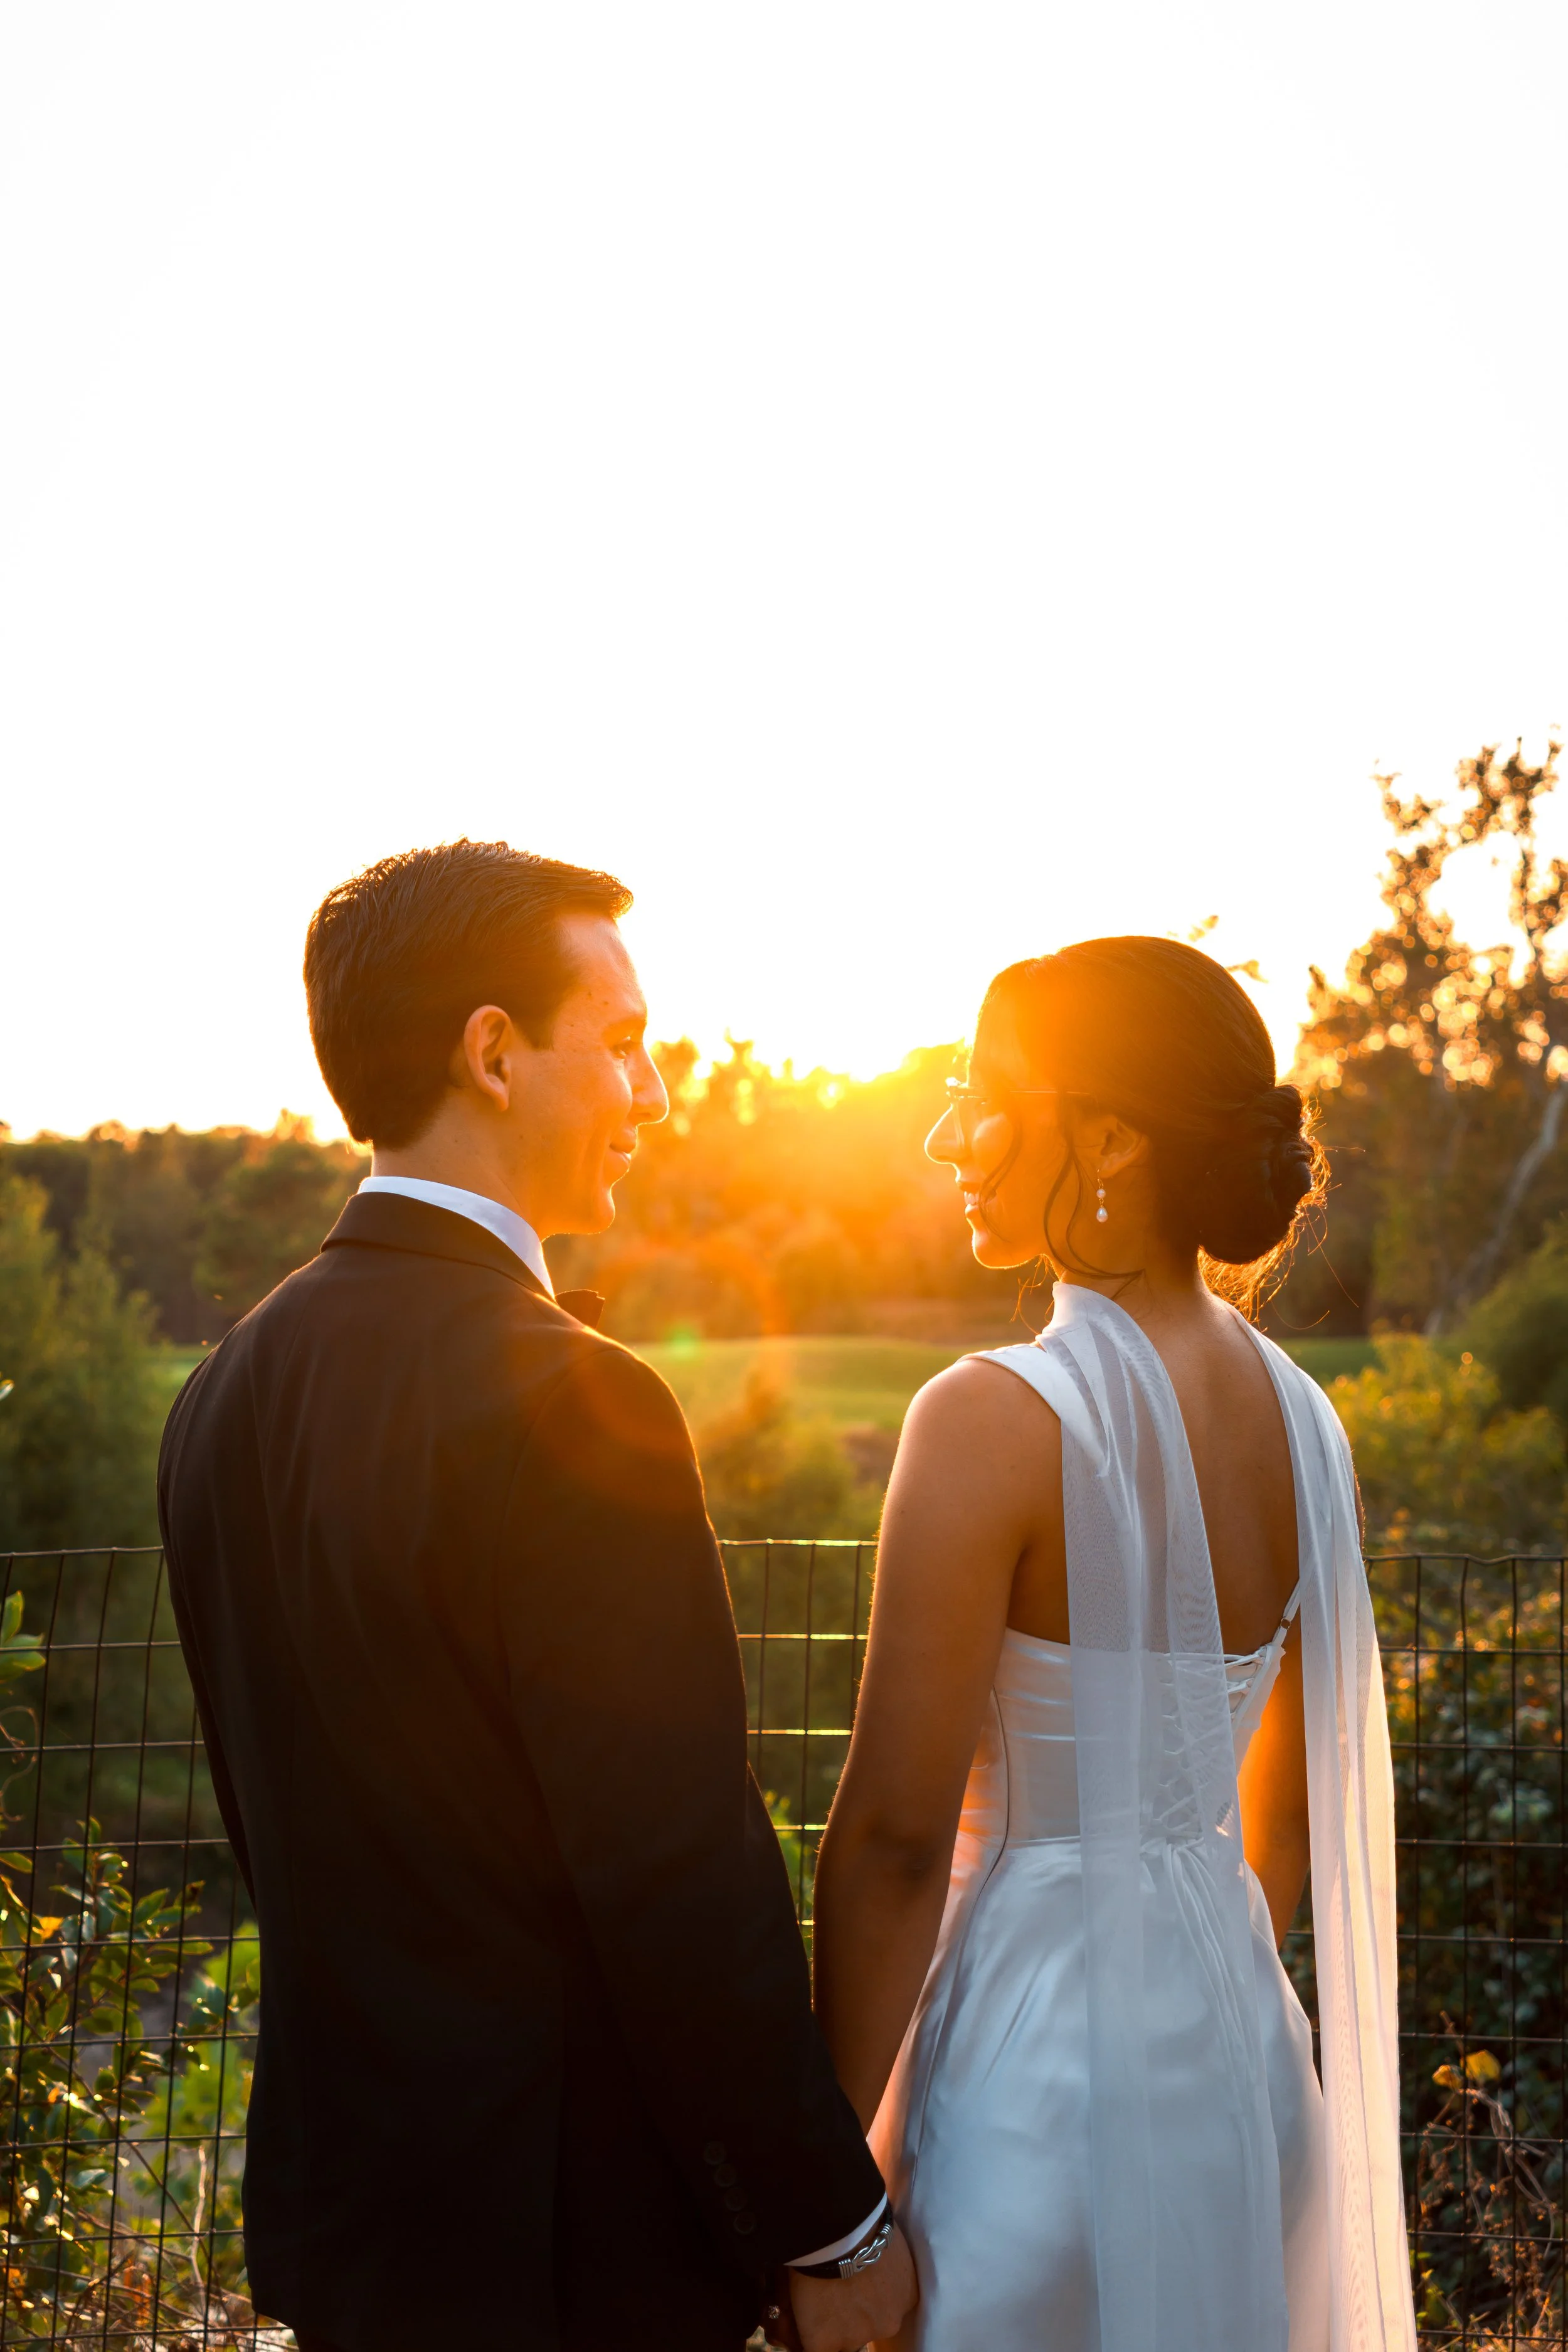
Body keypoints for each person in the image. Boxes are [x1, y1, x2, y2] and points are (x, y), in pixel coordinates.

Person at [157, 841, 915, 2352]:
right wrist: (827, 2221)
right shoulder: (582, 1400)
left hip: (351, 2242)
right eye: (624, 1044)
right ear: (493, 1053)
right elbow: (674, 1867)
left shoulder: (221, 1394)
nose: (651, 1096)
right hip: (574, 2258)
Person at [812, 936, 1416, 2352]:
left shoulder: (986, 1420)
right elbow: (1281, 1808)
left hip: (1035, 2069)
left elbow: (896, 1841)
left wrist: (822, 2200)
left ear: (1105, 1139)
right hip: (1232, 2053)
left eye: (981, 1095)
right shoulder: (1304, 1423)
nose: (945, 1136)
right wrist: (1176, 1975)